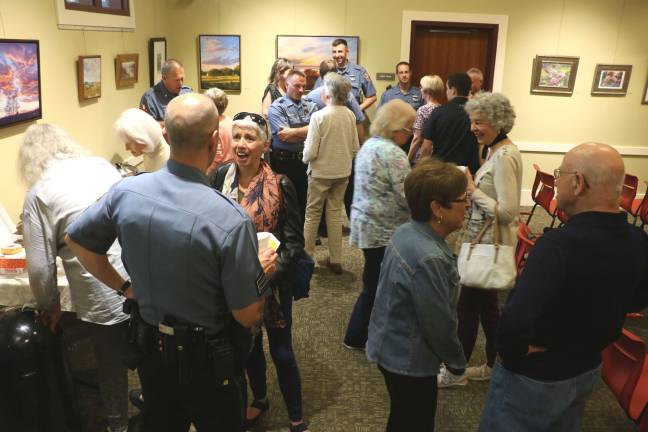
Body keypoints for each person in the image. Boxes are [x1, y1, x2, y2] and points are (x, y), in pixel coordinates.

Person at [65, 93, 275, 432]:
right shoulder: (231, 220)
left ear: (165, 136)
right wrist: (261, 275)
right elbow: (247, 314)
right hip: (209, 360)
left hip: (150, 350)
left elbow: (77, 241)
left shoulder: (125, 192)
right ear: (213, 142)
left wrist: (125, 288)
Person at [480, 142, 648, 431]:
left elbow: (513, 325)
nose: (556, 181)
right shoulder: (638, 240)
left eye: (560, 173)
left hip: (536, 377)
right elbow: (636, 301)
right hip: (588, 368)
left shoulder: (556, 246)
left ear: (578, 182)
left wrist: (514, 352)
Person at [19, 124, 130, 432]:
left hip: (99, 284)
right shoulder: (100, 165)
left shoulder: (39, 193)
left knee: (110, 365)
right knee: (147, 348)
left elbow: (40, 268)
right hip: (137, 273)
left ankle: (118, 425)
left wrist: (49, 304)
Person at [210, 112, 310, 432]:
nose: (241, 144)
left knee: (281, 352)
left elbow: (294, 244)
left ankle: (295, 415)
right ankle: (260, 399)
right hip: (232, 283)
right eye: (237, 137)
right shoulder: (220, 177)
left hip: (272, 284)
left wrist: (264, 277)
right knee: (248, 349)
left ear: (264, 145)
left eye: (249, 138)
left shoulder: (281, 185)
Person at [367, 157, 469, 431]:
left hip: (388, 346)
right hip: (409, 359)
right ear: (438, 208)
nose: (468, 205)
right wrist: (457, 361)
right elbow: (438, 323)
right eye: (462, 199)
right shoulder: (430, 257)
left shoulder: (405, 232)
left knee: (402, 417)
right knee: (415, 422)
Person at [437, 92, 521, 388]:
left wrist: (473, 190)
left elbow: (509, 212)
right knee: (487, 310)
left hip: (488, 246)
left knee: (467, 310)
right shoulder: (493, 151)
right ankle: (494, 364)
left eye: (480, 122)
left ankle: (456, 371)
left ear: (498, 123)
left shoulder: (506, 156)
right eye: (472, 121)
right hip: (481, 243)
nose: (474, 128)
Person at [343, 99, 415, 350]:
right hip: (383, 229)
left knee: (374, 279)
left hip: (367, 224)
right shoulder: (394, 154)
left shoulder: (370, 145)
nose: (411, 134)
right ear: (397, 128)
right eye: (409, 129)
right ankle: (357, 335)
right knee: (376, 284)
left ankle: (363, 332)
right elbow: (406, 196)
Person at [303, 73, 360, 274]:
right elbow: (355, 147)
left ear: (329, 92)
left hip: (320, 173)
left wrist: (305, 161)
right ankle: (336, 260)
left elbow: (310, 151)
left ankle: (307, 258)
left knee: (312, 215)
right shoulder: (350, 115)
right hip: (342, 172)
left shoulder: (319, 116)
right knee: (335, 215)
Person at [267, 70, 318, 219]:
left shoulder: (310, 105)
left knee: (306, 199)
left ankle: (305, 234)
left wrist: (293, 132)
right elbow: (284, 137)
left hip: (307, 160)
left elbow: (318, 131)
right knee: (286, 199)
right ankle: (289, 236)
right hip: (285, 161)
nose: (301, 90)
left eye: (304, 86)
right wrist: (308, 131)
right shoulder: (277, 107)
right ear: (286, 85)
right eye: (297, 86)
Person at [420, 73, 480, 174]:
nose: (446, 92)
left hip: (442, 171)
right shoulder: (477, 113)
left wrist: (421, 169)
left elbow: (426, 147)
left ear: (453, 90)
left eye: (447, 89)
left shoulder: (438, 112)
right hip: (469, 172)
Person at [315, 38, 377, 114]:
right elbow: (315, 96)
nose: (337, 55)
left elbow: (372, 97)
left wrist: (357, 109)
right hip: (330, 118)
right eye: (334, 52)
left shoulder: (359, 71)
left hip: (352, 119)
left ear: (347, 51)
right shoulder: (327, 71)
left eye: (340, 51)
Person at [115, 107, 170, 172]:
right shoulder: (148, 152)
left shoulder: (168, 160)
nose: (126, 148)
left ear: (143, 138)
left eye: (129, 142)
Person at [407, 74, 444, 163]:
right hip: (438, 156)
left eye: (421, 87)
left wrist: (407, 159)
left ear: (427, 90)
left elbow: (417, 138)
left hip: (422, 157)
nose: (420, 90)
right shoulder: (442, 109)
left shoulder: (423, 110)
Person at [204, 87, 235, 175]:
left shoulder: (214, 125)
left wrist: (206, 174)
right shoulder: (229, 120)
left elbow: (217, 156)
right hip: (231, 168)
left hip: (219, 172)